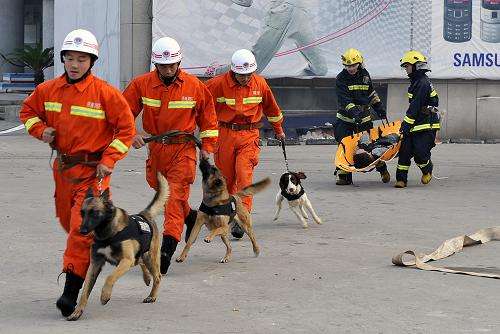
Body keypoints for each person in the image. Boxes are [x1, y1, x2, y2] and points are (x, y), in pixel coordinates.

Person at [19, 29, 136, 317]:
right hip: (63, 171)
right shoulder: (48, 90)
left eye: (81, 59)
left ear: (91, 61)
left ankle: (70, 293)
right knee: (66, 221)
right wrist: (39, 129)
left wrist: (110, 158)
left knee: (79, 232)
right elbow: (27, 112)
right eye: (69, 58)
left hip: (94, 173)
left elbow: (126, 130)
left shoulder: (106, 93)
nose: (74, 64)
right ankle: (97, 247)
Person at [122, 37, 218, 275]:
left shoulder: (194, 86)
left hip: (183, 150)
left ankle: (166, 249)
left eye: (172, 64)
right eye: (163, 66)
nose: (168, 69)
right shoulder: (141, 84)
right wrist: (131, 133)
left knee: (174, 198)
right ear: (155, 64)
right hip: (156, 150)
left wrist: (208, 145)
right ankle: (191, 217)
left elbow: (209, 118)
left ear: (179, 62)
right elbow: (122, 111)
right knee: (160, 190)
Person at [205, 49, 285, 239]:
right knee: (227, 180)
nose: (246, 78)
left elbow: (272, 109)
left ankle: (242, 217)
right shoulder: (217, 84)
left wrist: (279, 129)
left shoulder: (260, 84)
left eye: (249, 74)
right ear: (233, 71)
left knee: (244, 176)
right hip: (224, 134)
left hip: (249, 134)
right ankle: (228, 215)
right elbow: (199, 101)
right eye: (242, 75)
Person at [207, 0, 327, 77]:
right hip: (284, 11)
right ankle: (218, 72)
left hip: (302, 14)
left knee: (320, 69)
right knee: (255, 66)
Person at [334, 48, 390, 185]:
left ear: (359, 63)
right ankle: (344, 175)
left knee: (369, 146)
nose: (351, 68)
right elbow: (344, 99)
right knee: (344, 145)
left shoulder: (365, 75)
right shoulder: (341, 78)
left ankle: (382, 168)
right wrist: (354, 112)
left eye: (353, 65)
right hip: (345, 119)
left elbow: (371, 93)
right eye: (348, 66)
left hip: (364, 118)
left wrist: (379, 107)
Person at [395, 50, 440, 188]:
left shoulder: (422, 83)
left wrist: (405, 125)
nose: (406, 69)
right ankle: (401, 179)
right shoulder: (416, 81)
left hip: (426, 123)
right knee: (405, 150)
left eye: (407, 66)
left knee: (420, 152)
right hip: (416, 121)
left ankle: (427, 169)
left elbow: (415, 106)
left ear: (416, 66)